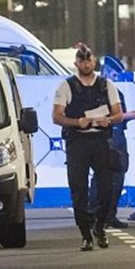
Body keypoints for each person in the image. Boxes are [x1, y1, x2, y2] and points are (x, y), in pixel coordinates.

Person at [52, 45, 123, 251]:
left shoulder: (106, 85)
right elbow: (57, 116)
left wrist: (108, 120)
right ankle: (85, 234)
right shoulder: (66, 86)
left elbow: (118, 113)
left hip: (101, 141)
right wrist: (77, 122)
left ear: (94, 62)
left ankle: (100, 226)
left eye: (89, 60)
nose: (86, 64)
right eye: (82, 61)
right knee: (78, 189)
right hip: (78, 142)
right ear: (76, 64)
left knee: (107, 188)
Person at [89, 90, 135, 229]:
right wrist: (126, 115)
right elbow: (102, 117)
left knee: (117, 176)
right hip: (106, 137)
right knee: (104, 176)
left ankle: (108, 215)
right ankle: (97, 215)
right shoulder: (97, 93)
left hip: (116, 137)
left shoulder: (117, 93)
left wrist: (128, 116)